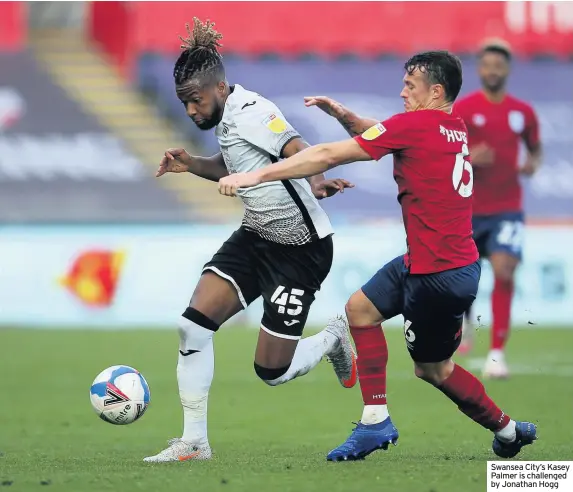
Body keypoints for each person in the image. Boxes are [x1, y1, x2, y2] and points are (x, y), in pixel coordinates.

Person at [218, 51, 537, 461]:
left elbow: (328, 156)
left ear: (435, 90)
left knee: (433, 370)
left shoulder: (416, 125)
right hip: (434, 262)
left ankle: (507, 430)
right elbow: (381, 132)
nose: (402, 91)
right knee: (360, 310)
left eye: (411, 85)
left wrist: (255, 175)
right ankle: (376, 420)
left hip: (437, 275)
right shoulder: (449, 126)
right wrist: (344, 115)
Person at [144, 18, 357, 463]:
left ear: (219, 88)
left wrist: (317, 182)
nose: (190, 112)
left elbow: (299, 148)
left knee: (271, 371)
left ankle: (333, 337)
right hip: (256, 235)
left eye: (195, 101)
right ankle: (195, 442)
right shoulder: (226, 118)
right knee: (193, 326)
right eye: (184, 103)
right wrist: (193, 166)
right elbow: (233, 163)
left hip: (301, 248)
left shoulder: (255, 111)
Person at [454, 40, 542, 379]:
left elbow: (535, 150)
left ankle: (496, 354)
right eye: (487, 65)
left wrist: (532, 163)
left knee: (505, 271)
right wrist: (467, 157)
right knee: (462, 281)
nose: (493, 70)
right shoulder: (463, 109)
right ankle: (465, 319)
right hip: (467, 209)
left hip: (508, 208)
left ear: (507, 70)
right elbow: (445, 152)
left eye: (499, 65)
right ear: (480, 69)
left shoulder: (523, 112)